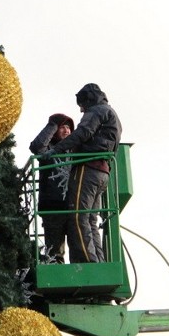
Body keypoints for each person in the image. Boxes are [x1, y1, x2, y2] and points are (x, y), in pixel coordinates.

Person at [44, 83, 122, 263]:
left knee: (78, 216)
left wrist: (55, 150)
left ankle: (89, 262)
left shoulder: (96, 112)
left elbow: (82, 133)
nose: (80, 110)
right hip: (104, 171)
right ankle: (99, 261)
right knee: (91, 220)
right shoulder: (112, 114)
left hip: (87, 168)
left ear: (88, 99)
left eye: (81, 105)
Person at [29, 113, 76, 263]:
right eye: (62, 127)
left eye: (69, 128)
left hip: (73, 205)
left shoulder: (75, 149)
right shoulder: (48, 150)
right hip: (52, 206)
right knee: (55, 252)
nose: (66, 131)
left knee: (78, 247)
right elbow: (36, 146)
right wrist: (53, 124)